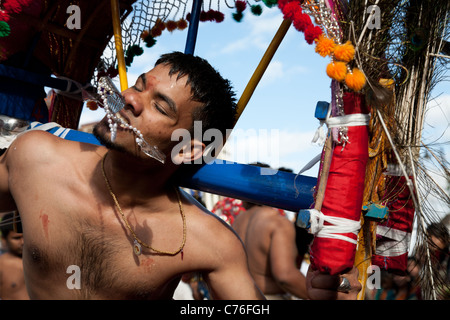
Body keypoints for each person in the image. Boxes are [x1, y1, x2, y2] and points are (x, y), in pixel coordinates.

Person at [0, 52, 263, 300]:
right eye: (138, 86)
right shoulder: (36, 158)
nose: (129, 99)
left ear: (188, 149)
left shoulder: (207, 240)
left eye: (160, 107)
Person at [0, 211, 30, 300]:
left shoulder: (40, 262)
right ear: (4, 239)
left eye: (26, 236)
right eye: (16, 238)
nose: (23, 242)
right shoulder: (2, 266)